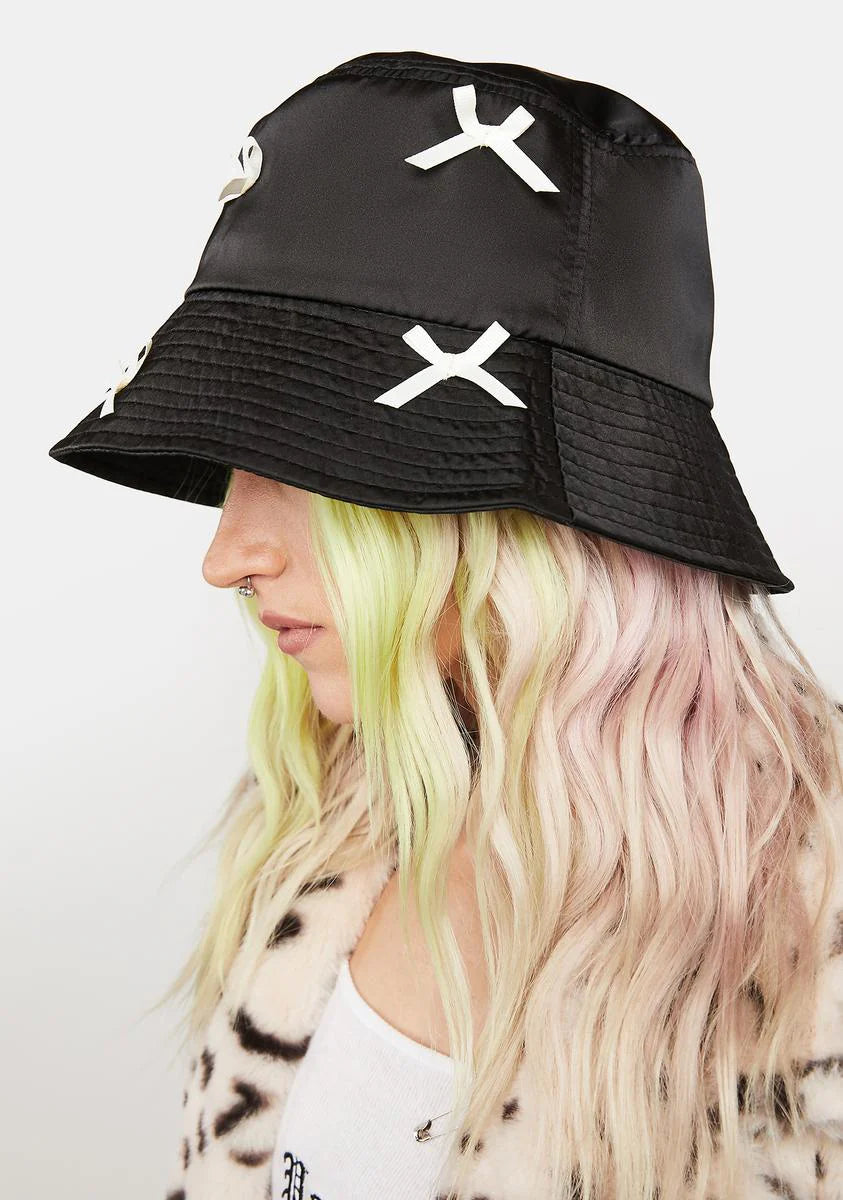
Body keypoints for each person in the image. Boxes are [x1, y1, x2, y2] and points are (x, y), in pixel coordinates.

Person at [47, 49, 843, 1200]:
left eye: (299, 455)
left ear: (526, 515)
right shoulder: (328, 813)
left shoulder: (809, 928)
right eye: (235, 452)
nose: (227, 556)